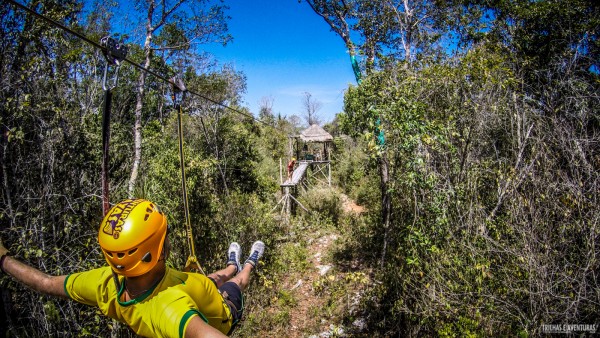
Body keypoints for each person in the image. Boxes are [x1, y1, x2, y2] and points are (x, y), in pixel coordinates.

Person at [0, 198, 265, 338]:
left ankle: (231, 263)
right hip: (223, 311)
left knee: (210, 278)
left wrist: (3, 260)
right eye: (166, 235)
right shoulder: (169, 307)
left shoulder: (103, 283)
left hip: (193, 286)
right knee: (237, 282)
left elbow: (45, 283)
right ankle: (248, 261)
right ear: (158, 251)